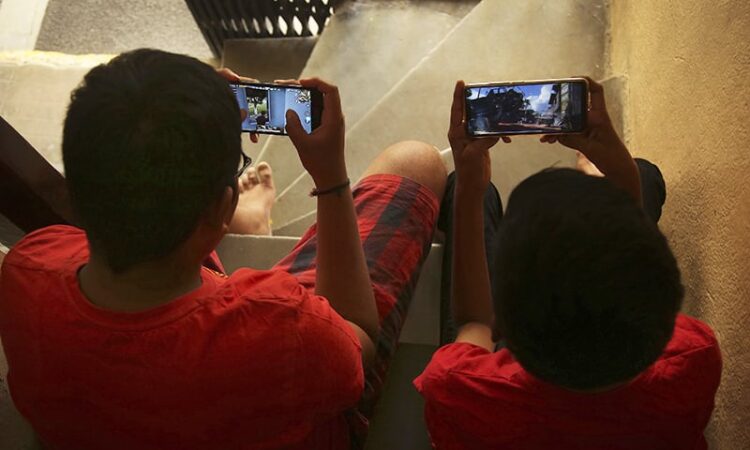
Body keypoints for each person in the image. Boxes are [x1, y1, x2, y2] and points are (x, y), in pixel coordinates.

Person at [0, 49, 446, 449]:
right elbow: (357, 342)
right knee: (415, 160)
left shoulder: (27, 269)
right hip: (277, 371)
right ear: (221, 206)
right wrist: (330, 178)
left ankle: (247, 224)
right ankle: (249, 223)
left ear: (76, 193)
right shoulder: (284, 326)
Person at [415, 79, 722, 449]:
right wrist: (621, 172)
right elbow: (635, 279)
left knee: (477, 196)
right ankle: (600, 176)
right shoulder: (693, 358)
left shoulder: (459, 387)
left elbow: (473, 321)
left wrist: (468, 185)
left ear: (504, 328)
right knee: (644, 173)